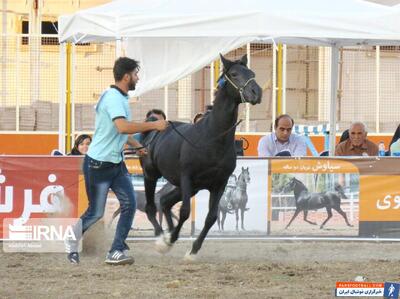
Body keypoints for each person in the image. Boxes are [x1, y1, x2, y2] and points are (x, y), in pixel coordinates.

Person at [65, 57, 168, 265]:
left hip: (115, 164)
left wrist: (136, 146)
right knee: (95, 213)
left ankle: (116, 250)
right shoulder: (113, 98)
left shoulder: (119, 97)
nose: (138, 78)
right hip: (98, 164)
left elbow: (120, 130)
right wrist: (153, 126)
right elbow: (122, 126)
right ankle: (71, 238)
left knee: (129, 204)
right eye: (136, 74)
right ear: (127, 76)